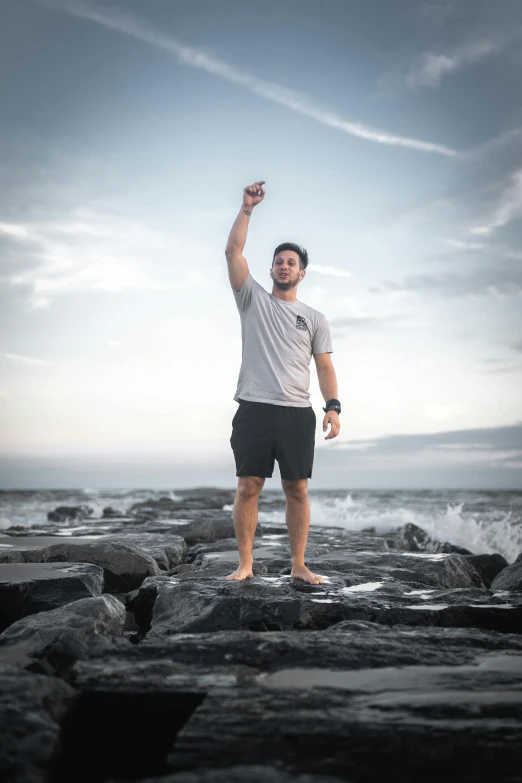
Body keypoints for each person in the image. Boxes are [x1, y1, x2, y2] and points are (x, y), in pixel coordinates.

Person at [224, 179, 341, 585]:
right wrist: (247, 209)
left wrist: (333, 406)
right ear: (271, 268)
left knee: (298, 490)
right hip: (254, 406)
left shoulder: (314, 318)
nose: (284, 265)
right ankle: (245, 564)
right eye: (279, 261)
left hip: (296, 413)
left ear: (302, 273)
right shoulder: (252, 299)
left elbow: (324, 367)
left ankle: (298, 564)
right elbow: (233, 252)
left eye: (291, 262)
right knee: (248, 487)